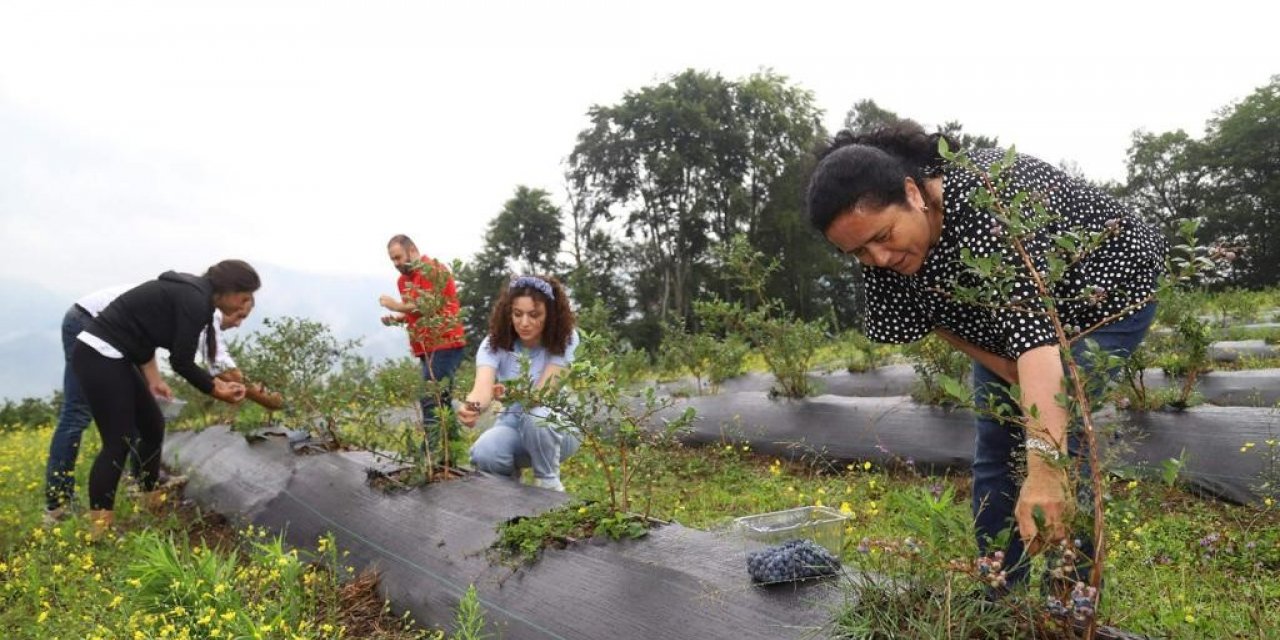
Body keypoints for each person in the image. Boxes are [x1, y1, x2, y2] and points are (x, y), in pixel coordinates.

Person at [805, 122, 1166, 587]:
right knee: (997, 446)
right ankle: (1001, 595)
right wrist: (1006, 369)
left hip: (1107, 294)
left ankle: (1071, 605)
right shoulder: (881, 253)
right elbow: (935, 319)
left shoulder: (984, 202)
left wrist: (1044, 466)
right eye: (857, 252)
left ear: (913, 193)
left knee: (1063, 443)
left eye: (884, 236)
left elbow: (1039, 347)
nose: (879, 258)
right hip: (1016, 321)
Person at [72, 260, 260, 537]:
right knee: (118, 442)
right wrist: (215, 389)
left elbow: (144, 330)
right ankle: (100, 532)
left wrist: (156, 380)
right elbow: (182, 361)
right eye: (244, 298)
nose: (244, 305)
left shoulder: (197, 296)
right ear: (229, 290)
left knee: (152, 426)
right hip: (100, 354)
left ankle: (150, 500)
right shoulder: (194, 300)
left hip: (117, 356)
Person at [458, 275, 580, 491]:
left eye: (534, 315)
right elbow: (482, 389)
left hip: (559, 428)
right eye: (517, 314)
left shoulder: (566, 339)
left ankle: (548, 486)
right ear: (509, 313)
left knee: (537, 416)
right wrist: (472, 407)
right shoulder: (494, 343)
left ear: (550, 315)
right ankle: (510, 500)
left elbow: (543, 394)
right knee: (485, 452)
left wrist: (512, 393)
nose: (524, 323)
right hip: (514, 426)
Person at [378, 234, 466, 453]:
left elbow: (427, 305)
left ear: (413, 250)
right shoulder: (404, 281)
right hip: (426, 348)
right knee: (440, 401)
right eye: (393, 260)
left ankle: (430, 454)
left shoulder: (433, 270)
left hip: (446, 343)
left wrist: (396, 306)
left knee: (431, 398)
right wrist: (398, 318)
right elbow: (417, 313)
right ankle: (450, 453)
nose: (397, 264)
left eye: (399, 257)